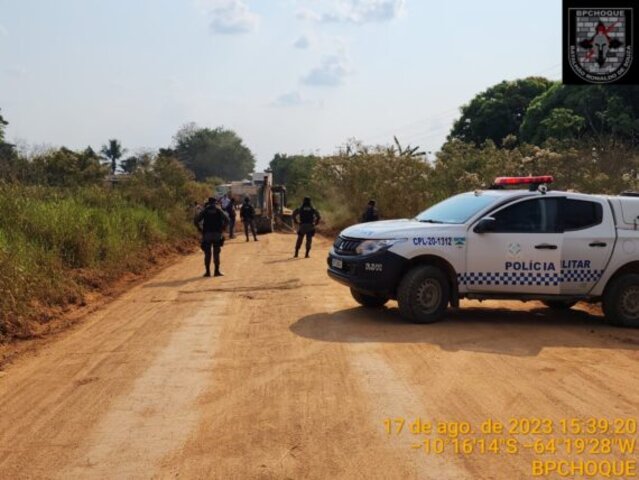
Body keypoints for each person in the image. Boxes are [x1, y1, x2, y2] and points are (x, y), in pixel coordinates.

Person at [194, 197, 229, 277]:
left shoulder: (205, 210)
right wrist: (223, 228)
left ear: (208, 203)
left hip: (207, 234)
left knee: (207, 253)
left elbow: (196, 221)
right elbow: (227, 220)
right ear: (215, 202)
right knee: (216, 253)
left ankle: (207, 272)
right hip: (217, 234)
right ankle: (216, 271)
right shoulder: (218, 210)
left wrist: (200, 229)